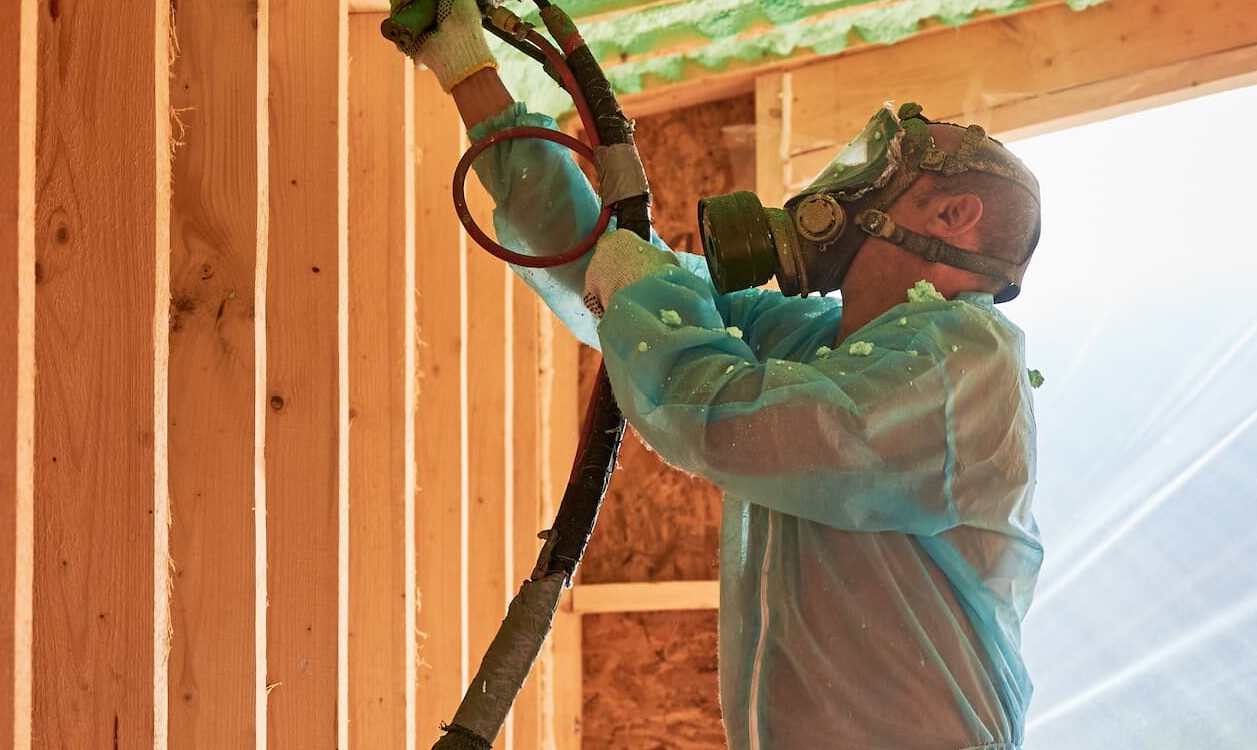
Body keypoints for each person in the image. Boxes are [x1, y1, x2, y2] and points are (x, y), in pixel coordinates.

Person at [395, 3, 1046, 748]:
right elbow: (609, 277)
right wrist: (468, 73)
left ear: (954, 214)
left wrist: (637, 284)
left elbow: (722, 415)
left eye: (885, 170)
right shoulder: (816, 344)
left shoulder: (970, 362)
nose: (848, 184)